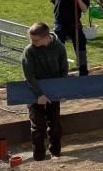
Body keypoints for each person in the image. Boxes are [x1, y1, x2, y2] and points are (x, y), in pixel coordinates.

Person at [22, 22, 68, 160]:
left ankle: (56, 152)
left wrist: (61, 91)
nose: (32, 42)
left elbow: (63, 71)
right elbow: (29, 76)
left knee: (55, 124)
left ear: (46, 37)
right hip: (35, 92)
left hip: (54, 91)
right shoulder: (29, 51)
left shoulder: (59, 48)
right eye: (31, 39)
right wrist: (39, 95)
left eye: (36, 40)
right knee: (37, 125)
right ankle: (39, 156)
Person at [50, 0, 92, 76]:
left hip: (75, 25)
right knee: (58, 48)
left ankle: (83, 71)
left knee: (81, 46)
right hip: (61, 24)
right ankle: (59, 73)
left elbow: (85, 9)